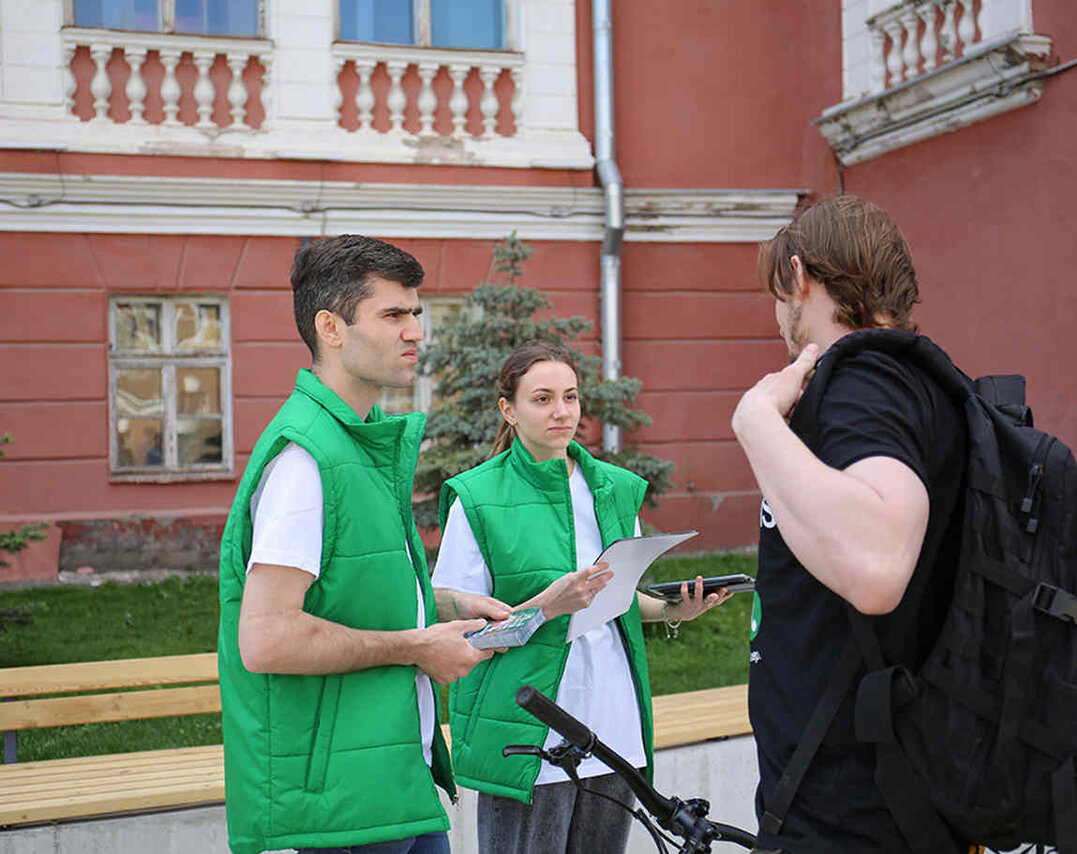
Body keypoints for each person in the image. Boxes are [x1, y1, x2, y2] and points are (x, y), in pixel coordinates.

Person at [217, 234, 510, 854]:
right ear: (332, 327)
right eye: (393, 315)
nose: (415, 333)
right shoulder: (306, 460)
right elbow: (266, 638)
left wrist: (448, 607)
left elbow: (348, 588)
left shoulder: (360, 441)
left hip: (395, 776)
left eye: (416, 314)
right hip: (342, 802)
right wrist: (418, 647)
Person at [732, 196, 967, 853]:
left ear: (800, 278)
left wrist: (754, 424)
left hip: (849, 815)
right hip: (893, 797)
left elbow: (878, 569)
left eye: (777, 295)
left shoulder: (862, 383)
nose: (777, 316)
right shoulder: (921, 381)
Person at [433, 341, 732, 854]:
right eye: (543, 398)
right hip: (528, 732)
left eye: (570, 397)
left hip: (612, 729)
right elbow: (464, 632)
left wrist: (675, 609)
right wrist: (546, 606)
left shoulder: (611, 488)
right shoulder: (477, 498)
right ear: (509, 409)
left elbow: (614, 599)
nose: (561, 412)